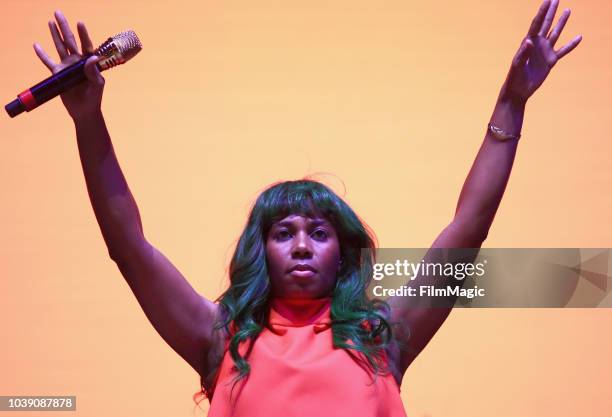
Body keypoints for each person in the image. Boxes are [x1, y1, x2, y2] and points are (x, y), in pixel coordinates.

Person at [33, 1, 581, 416]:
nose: (300, 244)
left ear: (341, 253)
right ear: (261, 250)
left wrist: (512, 103)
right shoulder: (219, 337)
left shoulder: (383, 334)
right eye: (283, 232)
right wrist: (88, 122)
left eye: (318, 232)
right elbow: (128, 247)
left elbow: (467, 230)